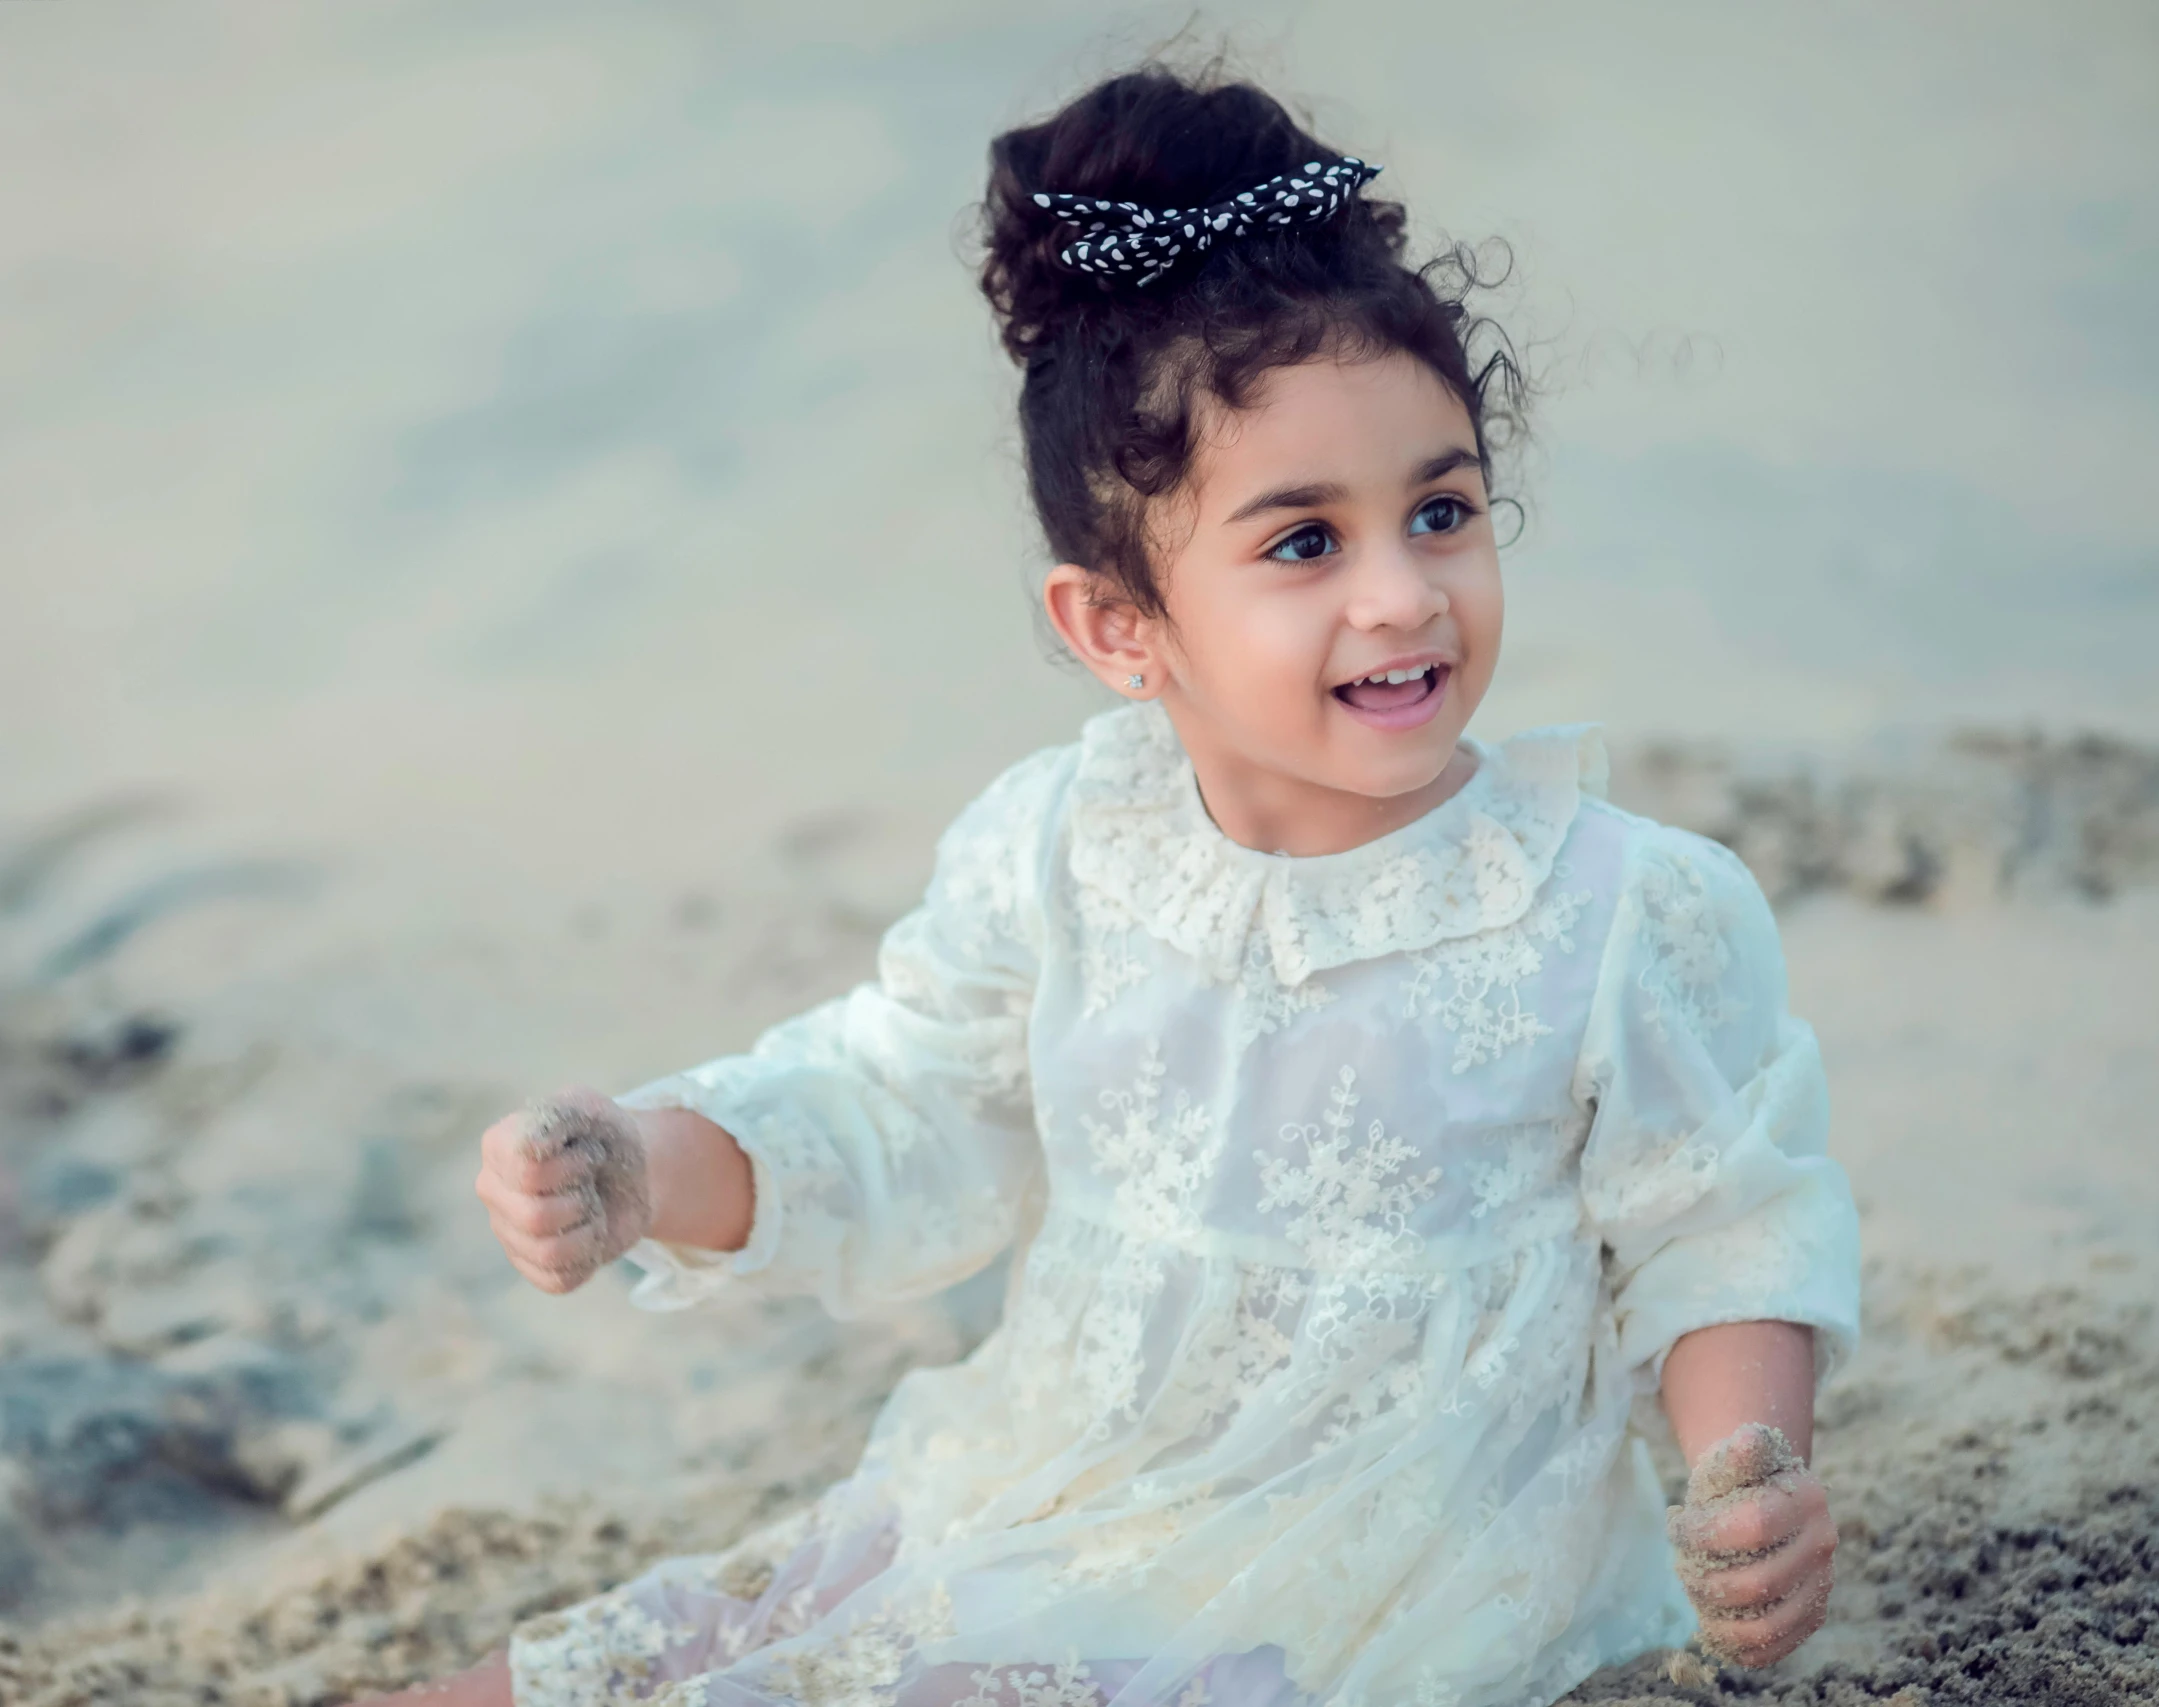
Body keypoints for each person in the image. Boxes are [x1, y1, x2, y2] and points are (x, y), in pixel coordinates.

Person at [361, 63, 1860, 1707]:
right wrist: (646, 1163)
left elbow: (1718, 1225)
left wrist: (1748, 1465)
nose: (1402, 596)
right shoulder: (1063, 848)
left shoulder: (1609, 906)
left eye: (1440, 511)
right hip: (1052, 1483)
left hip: (1384, 1562)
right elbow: (899, 1110)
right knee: (634, 1666)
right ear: (1115, 626)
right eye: (1303, 542)